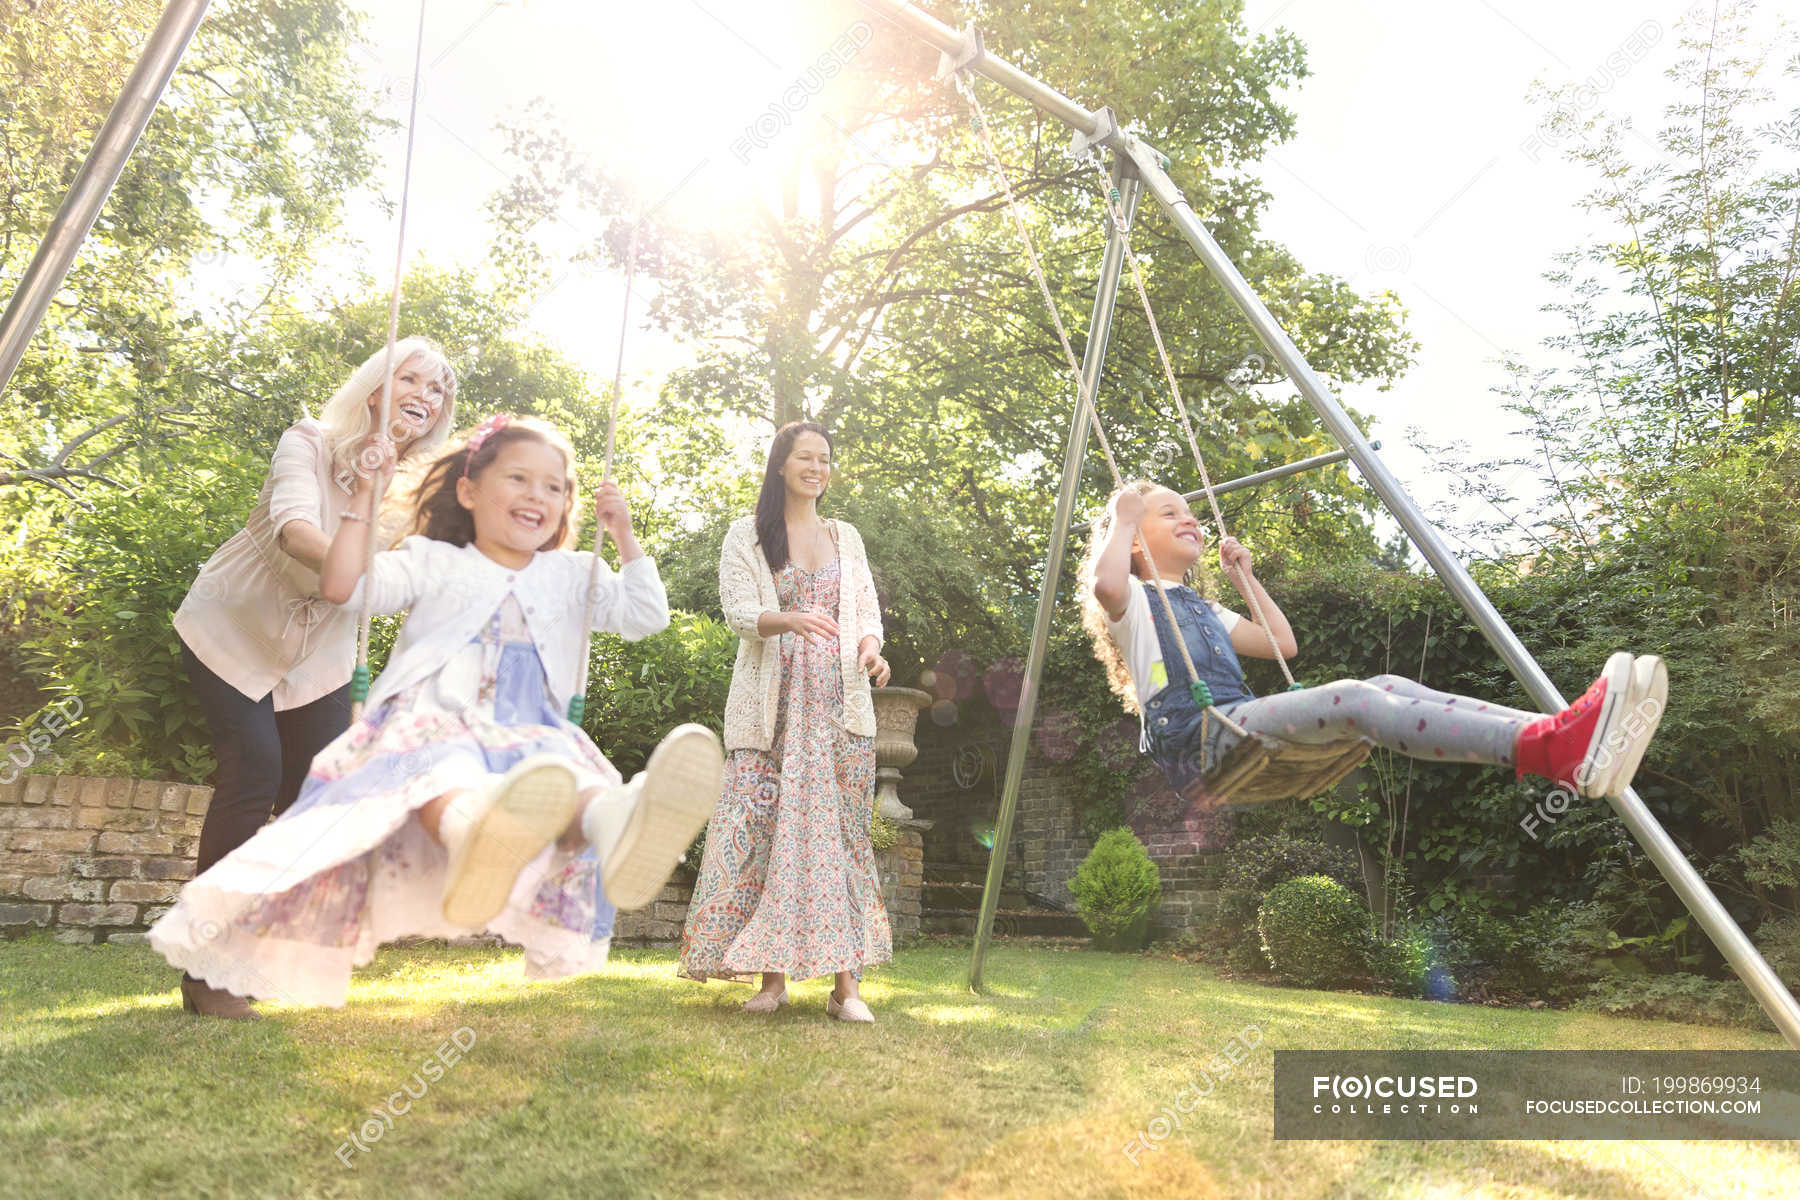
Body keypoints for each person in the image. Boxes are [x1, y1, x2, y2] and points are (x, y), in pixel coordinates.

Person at [150, 414, 722, 1013]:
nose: (538, 496)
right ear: (469, 491)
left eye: (555, 487)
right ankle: (478, 836)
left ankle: (620, 828)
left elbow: (645, 615)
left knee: (573, 782)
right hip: (436, 716)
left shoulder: (572, 573)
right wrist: (364, 498)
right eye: (520, 479)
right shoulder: (432, 560)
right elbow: (344, 585)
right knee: (440, 769)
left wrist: (623, 533)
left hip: (532, 730)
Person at [170, 337, 457, 1018]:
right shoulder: (308, 440)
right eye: (410, 377)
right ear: (376, 386)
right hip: (232, 629)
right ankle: (206, 970)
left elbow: (435, 570)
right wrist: (361, 508)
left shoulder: (419, 488)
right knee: (254, 771)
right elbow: (296, 533)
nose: (424, 392)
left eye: (438, 387)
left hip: (320, 657)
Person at [1079, 480, 1666, 809]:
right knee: (1355, 701)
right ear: (1134, 540)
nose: (1190, 518)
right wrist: (1120, 515)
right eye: (1169, 512)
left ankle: (1564, 736)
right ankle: (1553, 747)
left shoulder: (1205, 606)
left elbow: (1284, 645)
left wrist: (1246, 579)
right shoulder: (1131, 600)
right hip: (1202, 740)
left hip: (1232, 724)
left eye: (1190, 510)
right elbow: (1104, 582)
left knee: (1389, 688)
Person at [679, 421, 893, 1022]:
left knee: (842, 839)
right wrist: (791, 619)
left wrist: (872, 652)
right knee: (772, 836)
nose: (817, 467)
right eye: (806, 457)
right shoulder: (747, 535)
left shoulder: (844, 535)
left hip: (840, 707)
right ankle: (771, 982)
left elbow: (867, 612)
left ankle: (846, 988)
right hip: (770, 709)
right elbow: (741, 613)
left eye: (825, 458)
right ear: (781, 464)